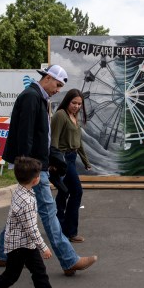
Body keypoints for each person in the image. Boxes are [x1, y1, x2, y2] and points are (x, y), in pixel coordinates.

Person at [0, 65, 97, 276]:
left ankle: (2, 255)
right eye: (57, 84)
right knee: (49, 212)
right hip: (33, 167)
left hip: (36, 164)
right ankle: (69, 260)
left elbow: (40, 136)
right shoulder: (32, 97)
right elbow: (25, 135)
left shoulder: (36, 97)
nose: (58, 89)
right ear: (48, 78)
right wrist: (30, 168)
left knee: (20, 211)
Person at [0, 157, 65, 288]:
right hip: (19, 246)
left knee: (39, 272)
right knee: (10, 276)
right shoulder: (27, 201)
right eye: (38, 175)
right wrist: (44, 248)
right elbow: (31, 229)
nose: (40, 177)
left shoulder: (21, 190)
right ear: (34, 179)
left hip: (25, 243)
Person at [51, 89, 91, 243]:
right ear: (67, 101)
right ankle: (70, 231)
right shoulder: (61, 115)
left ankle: (60, 230)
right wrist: (55, 162)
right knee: (76, 191)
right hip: (63, 159)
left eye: (79, 104)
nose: (76, 106)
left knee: (64, 193)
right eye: (74, 103)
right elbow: (53, 140)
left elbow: (78, 142)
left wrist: (86, 161)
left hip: (72, 157)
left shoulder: (75, 117)